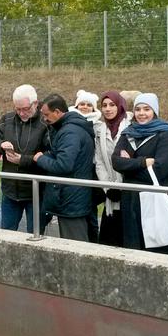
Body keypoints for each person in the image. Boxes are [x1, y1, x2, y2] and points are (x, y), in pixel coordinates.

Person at [112, 93, 168, 253]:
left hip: (155, 198)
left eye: (146, 109)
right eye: (138, 109)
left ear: (154, 111)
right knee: (133, 246)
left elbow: (160, 169)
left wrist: (129, 166)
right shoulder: (129, 132)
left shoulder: (165, 134)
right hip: (131, 199)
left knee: (157, 247)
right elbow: (116, 161)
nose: (141, 113)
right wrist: (143, 162)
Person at [0, 84, 49, 232]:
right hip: (11, 191)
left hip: (36, 192)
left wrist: (23, 160)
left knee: (36, 234)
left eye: (25, 109)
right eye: (17, 109)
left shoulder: (45, 123)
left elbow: (50, 156)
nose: (21, 113)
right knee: (7, 233)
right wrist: (1, 144)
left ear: (36, 104)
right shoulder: (8, 119)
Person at [33, 94, 96, 242]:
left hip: (71, 199)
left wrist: (41, 158)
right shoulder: (69, 128)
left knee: (75, 246)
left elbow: (64, 165)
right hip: (72, 195)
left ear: (57, 112)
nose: (44, 118)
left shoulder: (69, 132)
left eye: (46, 115)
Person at [93, 91, 131, 247]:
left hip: (128, 189)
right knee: (109, 240)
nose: (108, 109)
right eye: (104, 105)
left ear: (120, 106)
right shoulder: (101, 130)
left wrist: (120, 187)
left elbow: (129, 160)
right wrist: (108, 187)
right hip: (110, 193)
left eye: (112, 105)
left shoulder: (130, 128)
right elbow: (99, 161)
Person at [69, 89, 102, 242]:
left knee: (91, 212)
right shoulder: (68, 123)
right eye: (81, 104)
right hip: (75, 172)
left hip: (93, 173)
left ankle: (94, 242)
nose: (84, 107)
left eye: (89, 105)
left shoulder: (99, 126)